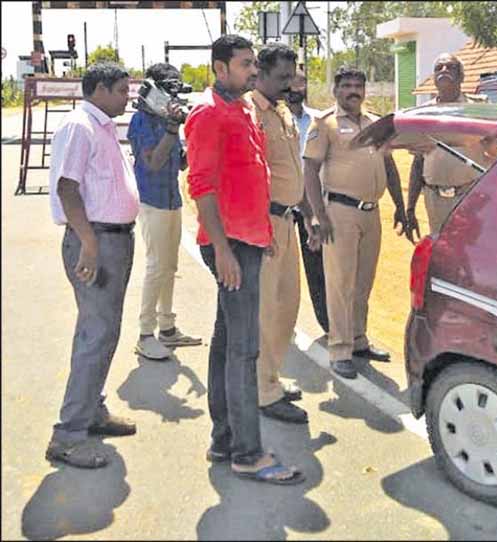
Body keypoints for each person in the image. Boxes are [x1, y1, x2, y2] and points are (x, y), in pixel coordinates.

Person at [185, 34, 303, 484]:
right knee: (243, 350)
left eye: (254, 64)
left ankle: (224, 440)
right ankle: (248, 453)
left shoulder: (241, 111)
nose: (253, 71)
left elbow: (253, 178)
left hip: (250, 239)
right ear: (219, 68)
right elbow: (202, 187)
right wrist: (223, 249)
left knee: (225, 344)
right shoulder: (209, 114)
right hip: (230, 245)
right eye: (244, 65)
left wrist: (264, 231)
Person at [46, 62, 139, 468]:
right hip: (95, 241)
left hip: (112, 240)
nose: (127, 97)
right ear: (99, 89)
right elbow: (67, 188)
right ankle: (68, 435)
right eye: (121, 90)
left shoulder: (101, 126)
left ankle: (92, 409)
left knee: (104, 332)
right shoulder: (79, 126)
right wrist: (88, 243)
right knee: (95, 335)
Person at [304, 66, 408, 379]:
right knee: (340, 284)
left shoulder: (376, 123)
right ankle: (339, 349)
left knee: (363, 282)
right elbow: (310, 170)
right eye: (347, 85)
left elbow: (389, 166)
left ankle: (359, 340)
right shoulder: (324, 124)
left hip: (371, 213)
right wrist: (318, 215)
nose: (353, 91)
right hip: (340, 213)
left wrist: (400, 207)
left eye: (358, 86)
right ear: (335, 90)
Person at [248, 43, 314, 424]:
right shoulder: (250, 112)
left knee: (287, 306)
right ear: (259, 71)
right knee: (266, 311)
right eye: (282, 77)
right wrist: (261, 226)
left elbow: (293, 170)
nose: (290, 85)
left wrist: (308, 214)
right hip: (266, 224)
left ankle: (270, 377)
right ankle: (263, 391)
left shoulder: (283, 111)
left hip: (289, 221)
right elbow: (250, 176)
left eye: (292, 77)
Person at [128, 62, 201, 361]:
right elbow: (154, 163)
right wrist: (173, 129)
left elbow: (180, 162)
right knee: (157, 266)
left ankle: (167, 328)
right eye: (170, 87)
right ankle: (145, 334)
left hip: (171, 199)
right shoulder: (142, 122)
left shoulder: (165, 118)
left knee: (170, 266)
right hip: (152, 201)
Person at [404, 53, 491, 241]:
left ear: (461, 77)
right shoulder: (424, 114)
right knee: (440, 249)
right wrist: (410, 208)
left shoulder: (478, 109)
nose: (444, 71)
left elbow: (495, 152)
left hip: (470, 197)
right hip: (435, 200)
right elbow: (418, 163)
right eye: (438, 68)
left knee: (470, 248)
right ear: (433, 79)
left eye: (450, 67)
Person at [286, 70, 329, 334]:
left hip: (312, 205)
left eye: (300, 82)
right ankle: (279, 324)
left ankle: (329, 325)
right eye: (289, 81)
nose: (294, 86)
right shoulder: (270, 121)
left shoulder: (318, 121)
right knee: (281, 271)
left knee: (318, 269)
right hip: (280, 208)